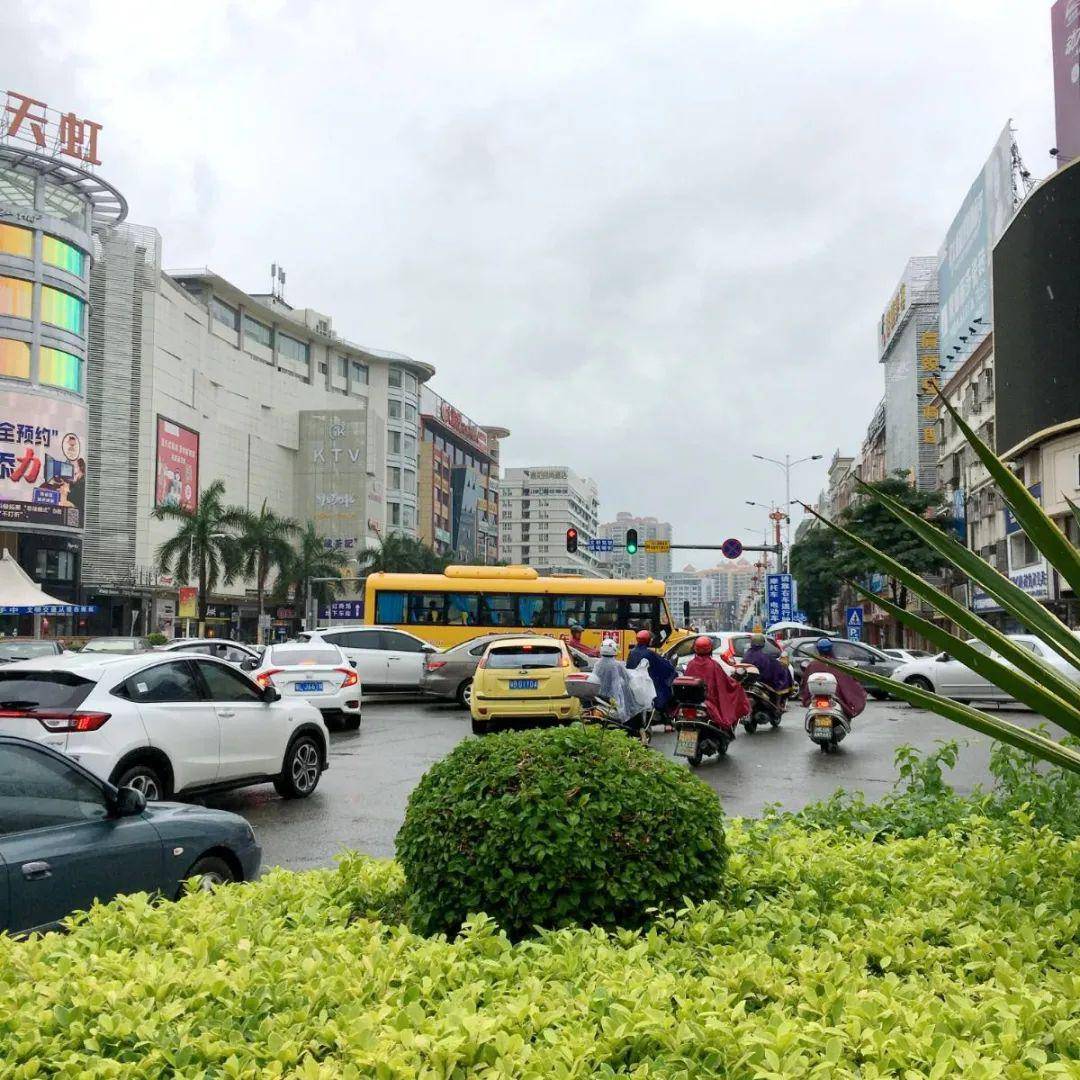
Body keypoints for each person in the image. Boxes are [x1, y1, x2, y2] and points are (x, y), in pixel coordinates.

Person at [684, 636, 749, 734]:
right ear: (710, 649)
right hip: (709, 701)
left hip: (692, 701)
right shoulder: (713, 665)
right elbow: (726, 683)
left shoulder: (691, 664)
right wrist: (736, 684)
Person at [799, 638, 867, 719]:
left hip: (826, 698)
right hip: (833, 698)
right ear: (831, 649)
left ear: (818, 650)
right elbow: (849, 684)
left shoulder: (813, 665)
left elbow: (804, 683)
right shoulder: (839, 665)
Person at [626, 629, 677, 718]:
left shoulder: (632, 652)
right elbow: (664, 666)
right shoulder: (649, 654)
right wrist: (671, 666)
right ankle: (661, 709)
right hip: (647, 681)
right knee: (663, 687)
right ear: (648, 640)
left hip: (634, 682)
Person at [592, 637, 639, 726]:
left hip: (599, 695)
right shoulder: (617, 665)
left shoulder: (597, 664)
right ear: (613, 649)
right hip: (612, 698)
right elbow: (628, 677)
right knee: (623, 712)